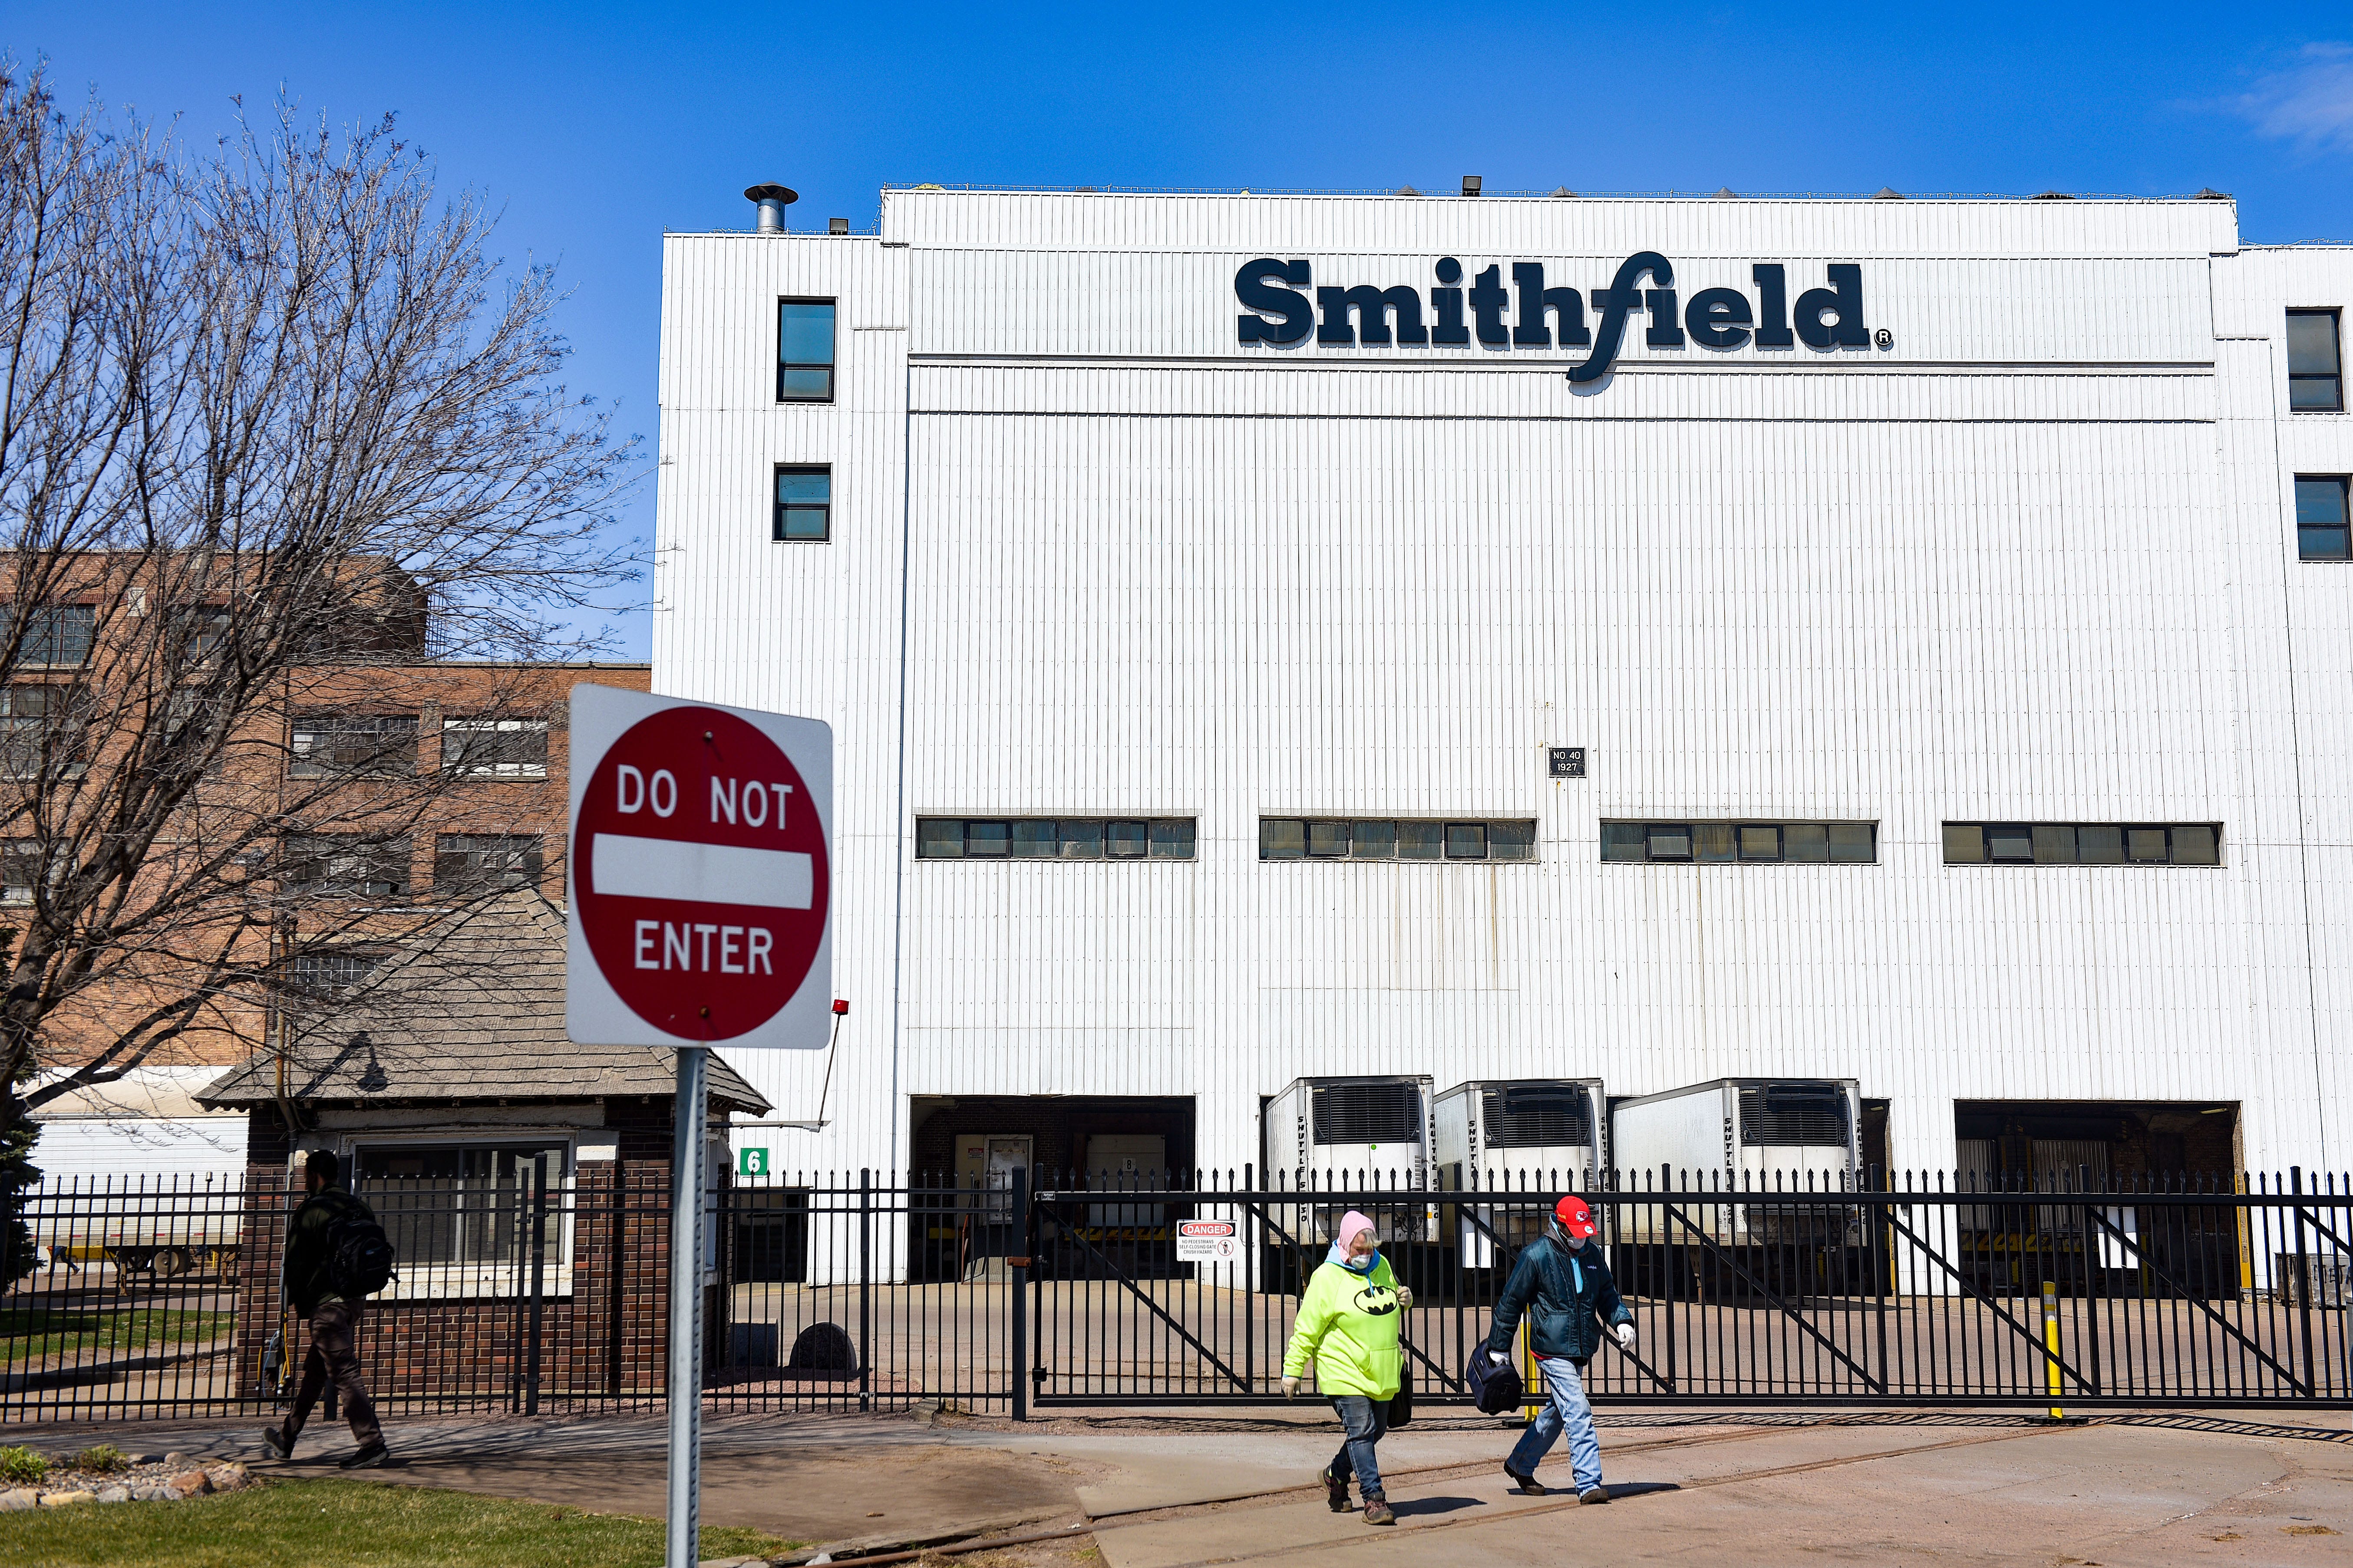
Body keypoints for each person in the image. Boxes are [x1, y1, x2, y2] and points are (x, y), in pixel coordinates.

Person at [1485, 1194, 1633, 1504]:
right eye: (1577, 1235)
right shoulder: (1536, 1255)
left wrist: (1622, 1320)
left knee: (1558, 1411)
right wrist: (1499, 1347)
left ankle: (1520, 1464)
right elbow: (1510, 1303)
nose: (1581, 1240)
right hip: (1550, 1348)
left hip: (1578, 1346)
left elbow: (1606, 1292)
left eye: (1585, 1234)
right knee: (1577, 1409)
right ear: (1561, 1227)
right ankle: (1588, 1482)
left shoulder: (1591, 1254)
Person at [1281, 1210, 1413, 1525]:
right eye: (1359, 1249)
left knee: (1375, 1430)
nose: (1366, 1255)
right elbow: (1307, 1328)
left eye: (1370, 1249)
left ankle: (1334, 1477)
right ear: (1344, 1245)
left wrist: (1404, 1299)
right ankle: (1374, 1499)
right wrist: (1293, 1370)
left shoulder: (1381, 1266)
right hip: (1342, 1369)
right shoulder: (1326, 1277)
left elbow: (1389, 1301)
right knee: (1361, 1431)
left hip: (1381, 1370)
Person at [260, 1150, 388, 1468]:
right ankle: (287, 1438)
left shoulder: (313, 1210)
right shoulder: (358, 1206)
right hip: (353, 1300)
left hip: (326, 1306)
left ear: (313, 1175)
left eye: (305, 1175)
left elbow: (295, 1263)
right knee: (316, 1373)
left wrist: (293, 1305)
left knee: (344, 1373)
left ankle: (372, 1444)